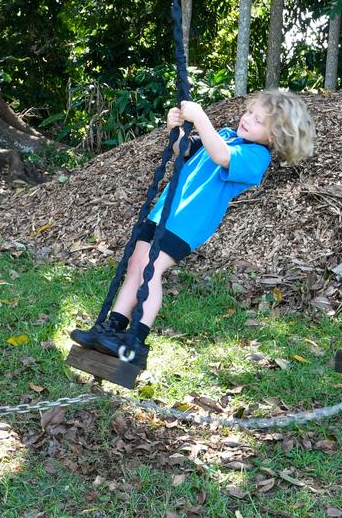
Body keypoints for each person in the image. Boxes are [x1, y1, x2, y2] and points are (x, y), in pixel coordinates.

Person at [71, 90, 315, 368]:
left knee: (151, 271)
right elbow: (183, 151)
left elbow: (222, 157)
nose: (248, 120)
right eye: (249, 112)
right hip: (163, 212)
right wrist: (176, 128)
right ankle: (113, 327)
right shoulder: (224, 134)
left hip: (187, 223)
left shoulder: (256, 156)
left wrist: (199, 117)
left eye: (259, 121)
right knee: (136, 265)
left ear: (274, 137)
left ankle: (137, 340)